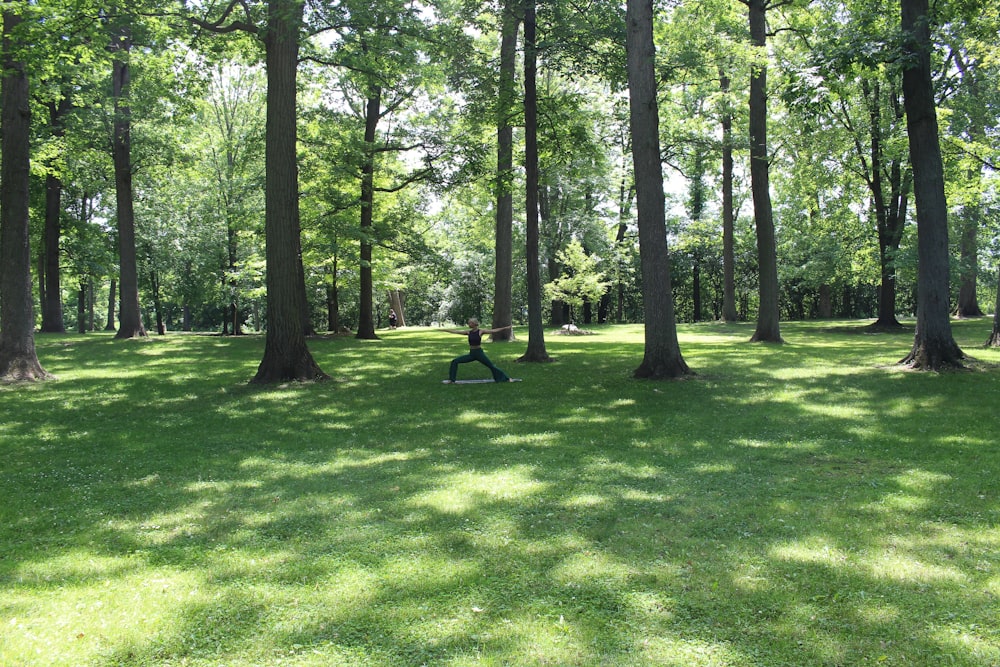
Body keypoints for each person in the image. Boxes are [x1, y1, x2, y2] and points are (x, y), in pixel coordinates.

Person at [443, 319, 514, 382]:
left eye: (470, 323)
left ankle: (506, 378)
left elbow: (493, 331)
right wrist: (445, 330)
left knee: (491, 366)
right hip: (472, 354)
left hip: (479, 353)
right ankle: (452, 379)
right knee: (455, 361)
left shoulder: (481, 331)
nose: (469, 324)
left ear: (474, 324)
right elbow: (456, 332)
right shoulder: (468, 332)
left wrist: (505, 328)